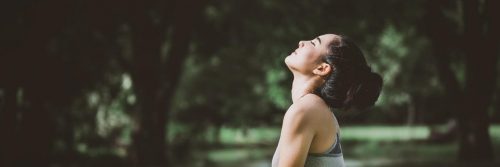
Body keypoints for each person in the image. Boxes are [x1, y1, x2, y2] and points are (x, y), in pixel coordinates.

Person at [271, 34, 382, 167]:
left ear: (322, 68)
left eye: (313, 43)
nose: (301, 42)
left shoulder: (306, 111)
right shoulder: (317, 110)